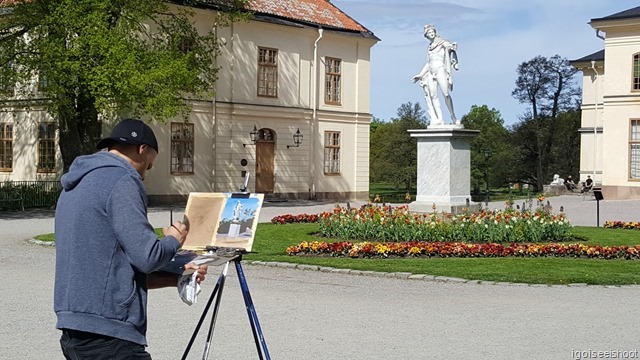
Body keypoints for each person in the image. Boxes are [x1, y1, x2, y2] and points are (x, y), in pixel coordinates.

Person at [54, 118, 208, 359]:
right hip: (109, 335)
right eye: (149, 166)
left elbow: (115, 265)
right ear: (142, 149)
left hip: (76, 330)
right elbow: (147, 257)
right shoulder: (123, 180)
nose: (145, 175)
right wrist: (175, 240)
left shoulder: (75, 183)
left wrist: (176, 276)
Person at [411, 24, 459, 126]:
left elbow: (449, 46)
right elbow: (429, 63)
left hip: (440, 70)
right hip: (431, 73)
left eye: (432, 31)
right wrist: (420, 75)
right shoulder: (429, 48)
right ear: (426, 36)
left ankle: (453, 116)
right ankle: (439, 119)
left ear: (435, 32)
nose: (431, 33)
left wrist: (452, 47)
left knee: (446, 94)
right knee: (433, 96)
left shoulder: (442, 42)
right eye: (428, 32)